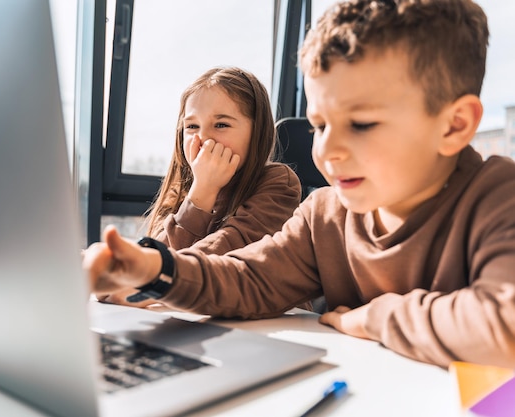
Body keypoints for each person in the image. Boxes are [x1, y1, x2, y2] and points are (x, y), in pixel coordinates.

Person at [83, 0, 515, 369]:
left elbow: (503, 327)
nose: (329, 151)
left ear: (454, 125)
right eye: (319, 126)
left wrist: (373, 317)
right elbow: (249, 278)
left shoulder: (500, 196)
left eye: (361, 124)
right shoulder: (325, 216)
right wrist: (155, 269)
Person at [101, 66, 302, 306]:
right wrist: (199, 193)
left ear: (257, 132)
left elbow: (226, 251)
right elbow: (155, 257)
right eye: (192, 127)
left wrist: (151, 283)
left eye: (221, 125)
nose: (202, 138)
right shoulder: (182, 192)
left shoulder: (278, 182)